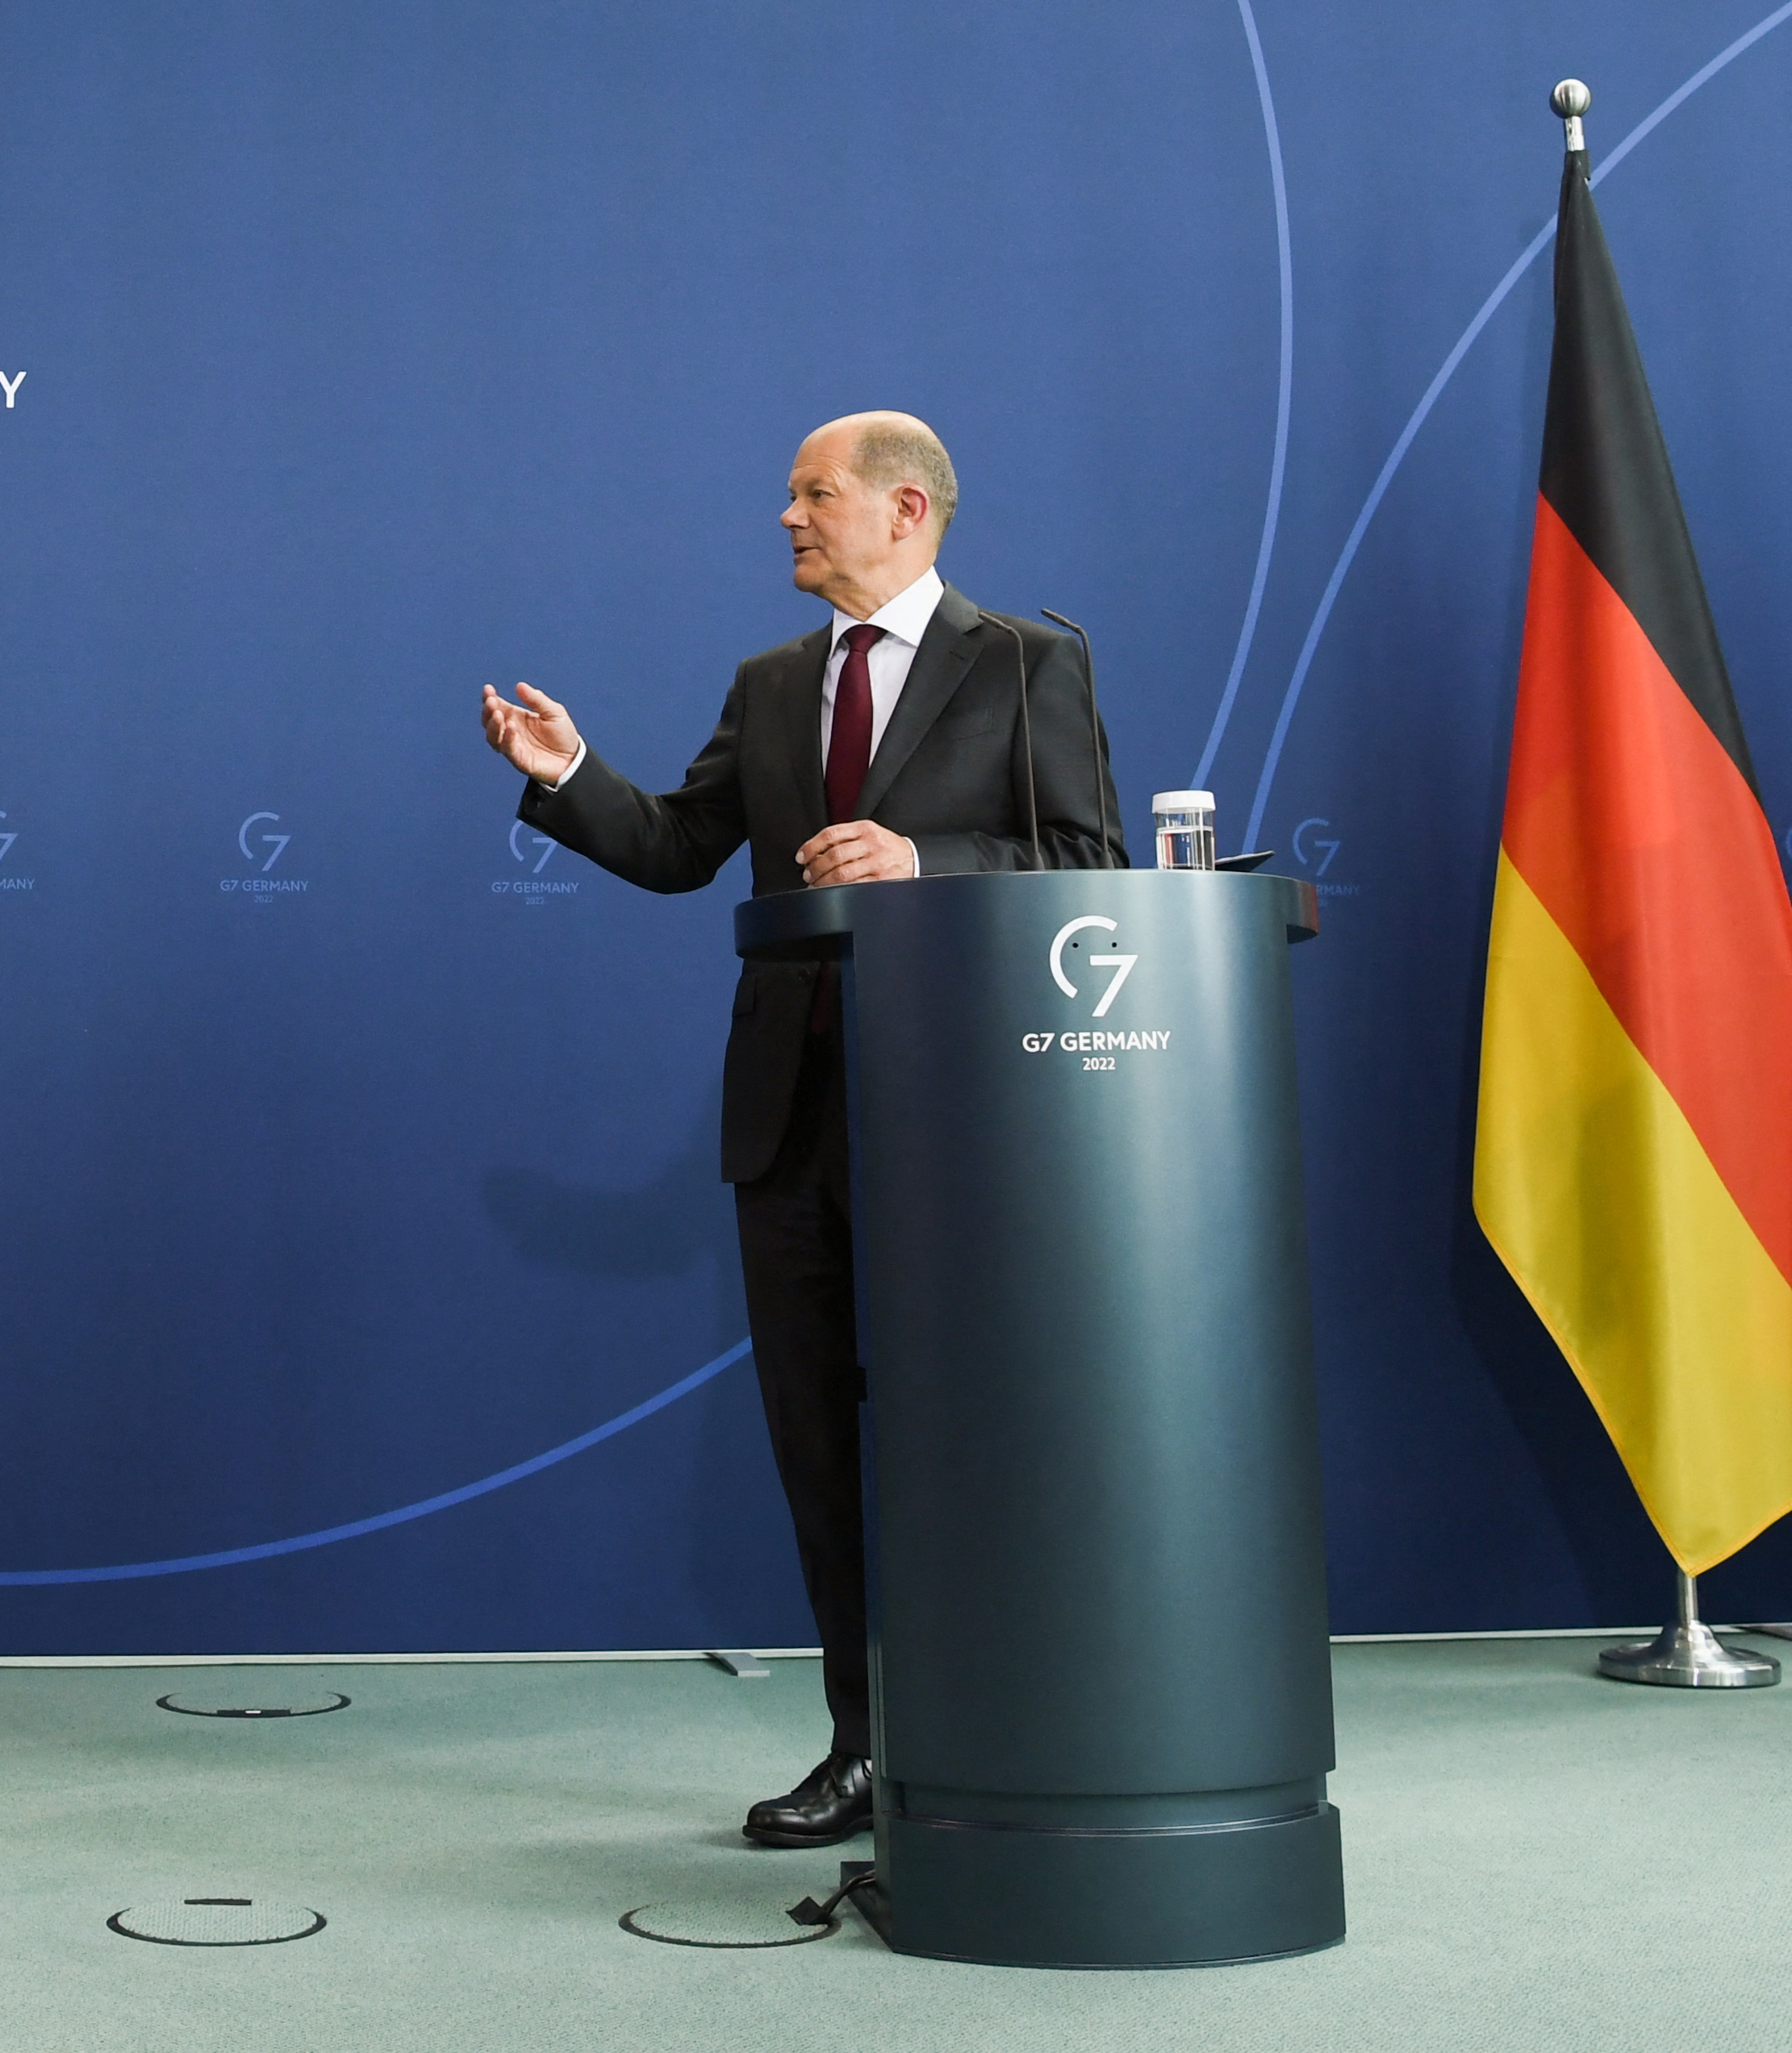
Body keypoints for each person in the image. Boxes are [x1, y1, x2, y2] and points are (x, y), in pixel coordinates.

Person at [478, 411, 1121, 1850]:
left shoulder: (1029, 663)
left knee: (968, 1441)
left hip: (963, 1127)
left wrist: (924, 860)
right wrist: (569, 773)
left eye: (810, 495)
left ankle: (1001, 1731)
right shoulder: (772, 683)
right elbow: (675, 851)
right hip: (791, 1125)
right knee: (818, 1446)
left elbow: (1087, 863)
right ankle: (860, 1742)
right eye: (785, 495)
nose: (785, 517)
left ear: (905, 509)